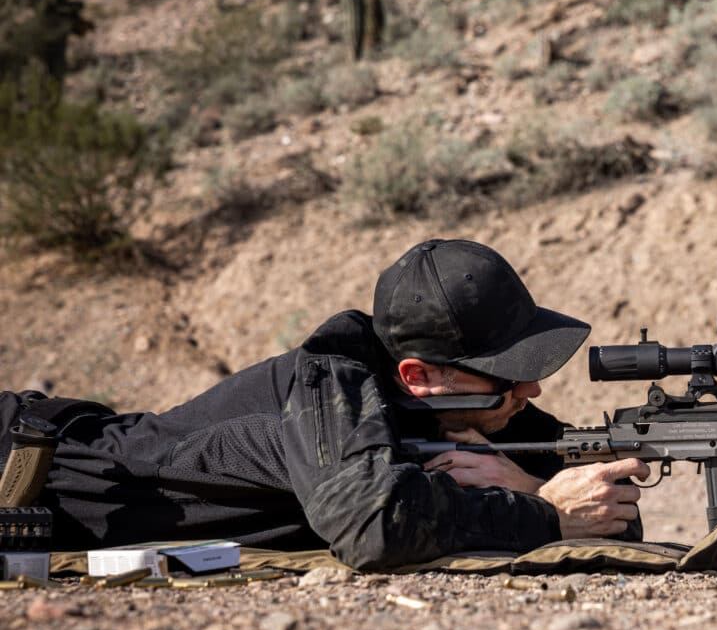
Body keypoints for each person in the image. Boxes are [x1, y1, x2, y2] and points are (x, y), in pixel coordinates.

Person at [0, 239, 648, 570]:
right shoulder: (322, 389)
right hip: (27, 477)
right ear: (418, 374)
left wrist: (533, 486)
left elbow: (602, 511)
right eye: (507, 375)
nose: (528, 391)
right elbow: (375, 526)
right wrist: (540, 514)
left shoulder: (475, 409)